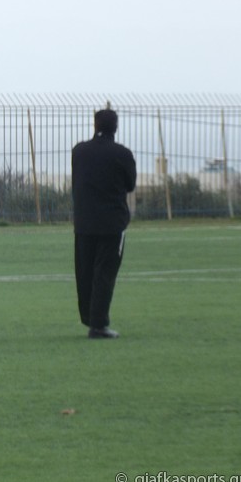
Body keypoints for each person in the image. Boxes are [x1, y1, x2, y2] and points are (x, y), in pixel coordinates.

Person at [71, 107, 137, 339]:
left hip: (84, 221)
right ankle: (98, 325)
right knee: (104, 273)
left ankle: (89, 317)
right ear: (115, 127)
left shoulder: (79, 151)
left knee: (85, 272)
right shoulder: (122, 154)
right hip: (112, 223)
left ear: (95, 125)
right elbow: (130, 184)